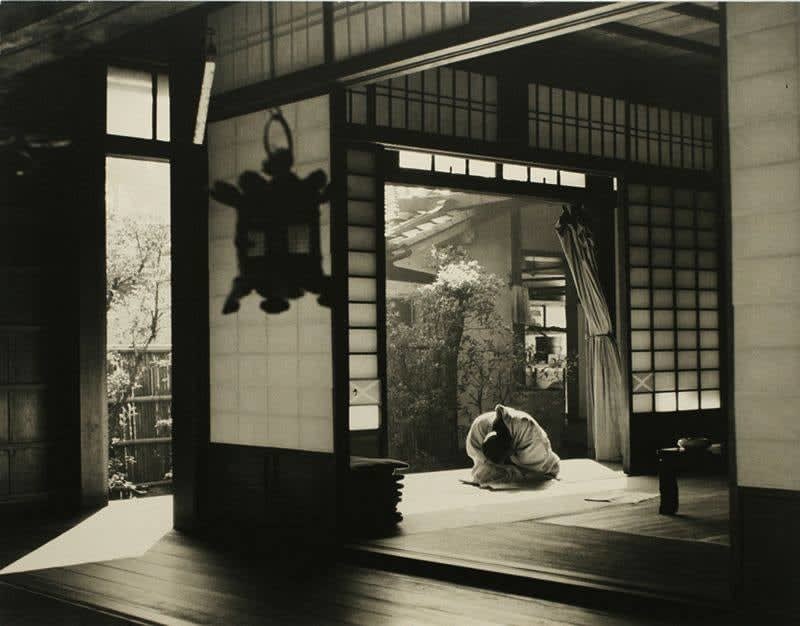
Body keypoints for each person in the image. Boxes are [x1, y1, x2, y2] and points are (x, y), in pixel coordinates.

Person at [466, 404, 560, 486]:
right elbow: (479, 458)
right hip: (504, 456)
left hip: (538, 463)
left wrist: (510, 470)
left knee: (539, 478)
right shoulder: (479, 427)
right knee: (485, 474)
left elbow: (538, 468)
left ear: (512, 448)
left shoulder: (528, 430)